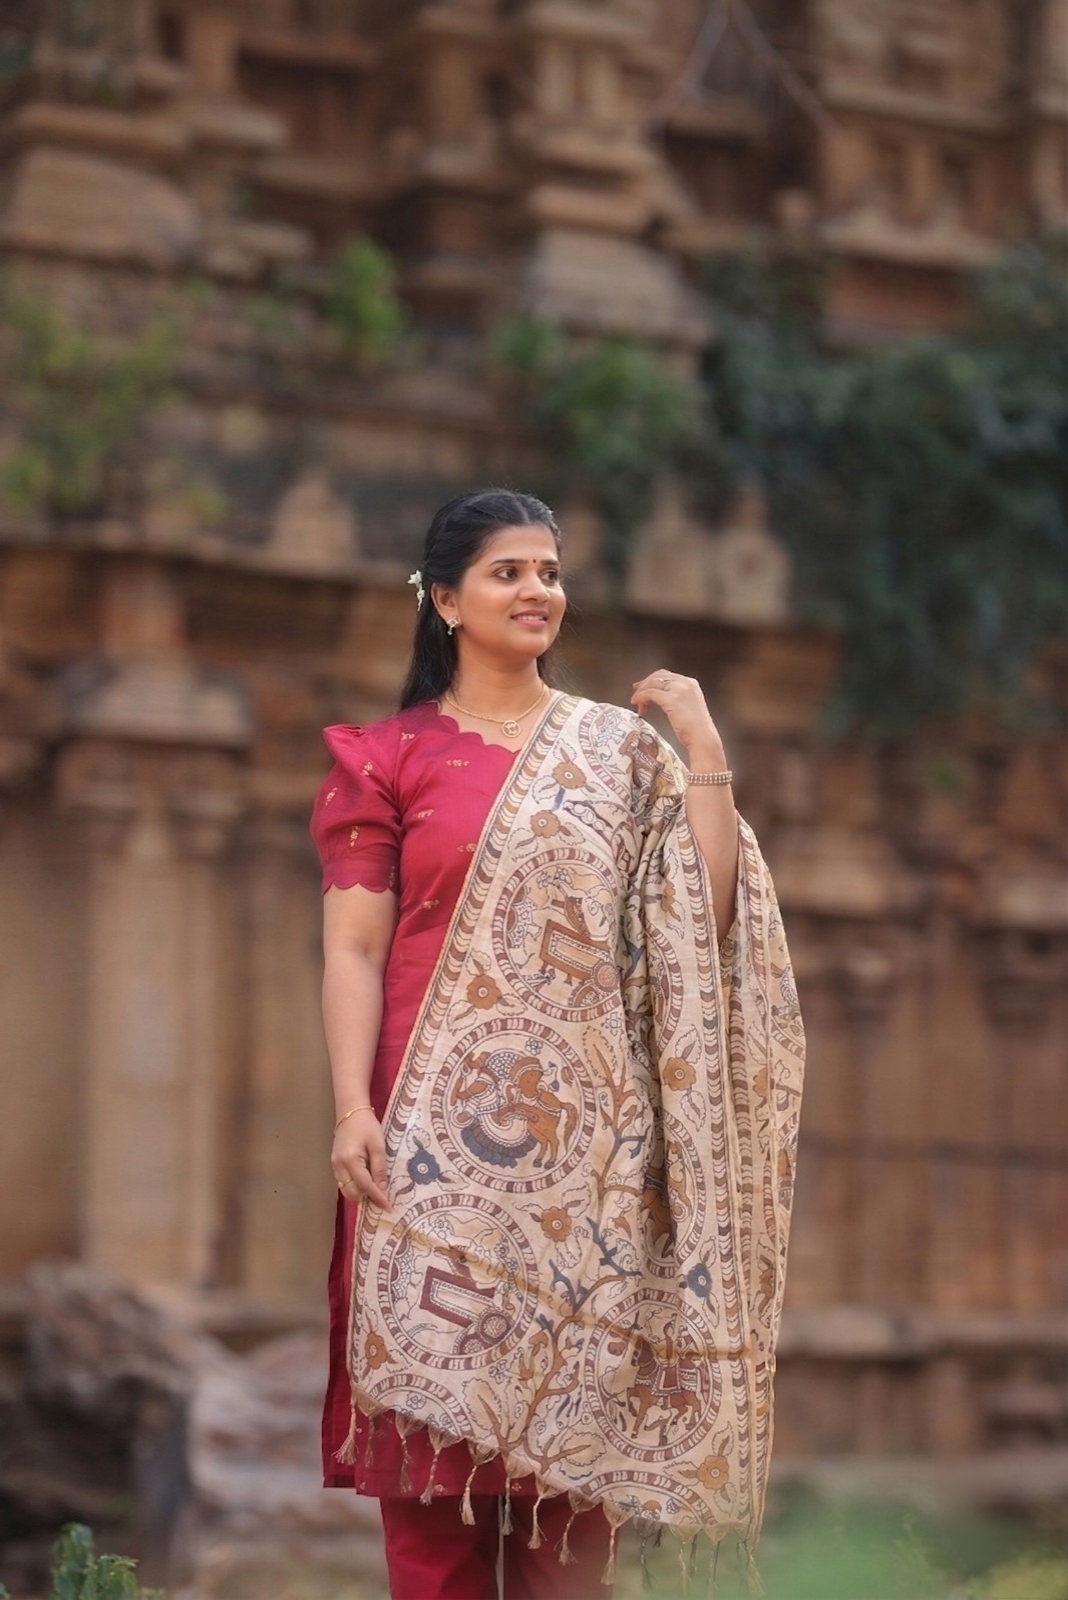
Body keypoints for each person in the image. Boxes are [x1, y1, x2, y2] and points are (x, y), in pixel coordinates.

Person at [311, 489, 804, 1600]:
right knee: (432, 1512)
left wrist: (703, 744)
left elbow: (707, 917)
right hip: (422, 1146)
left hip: (588, 1159)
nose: (539, 590)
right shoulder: (386, 757)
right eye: (508, 572)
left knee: (569, 1520)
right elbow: (351, 948)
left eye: (550, 570)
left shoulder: (620, 754)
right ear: (444, 600)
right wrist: (352, 1106)